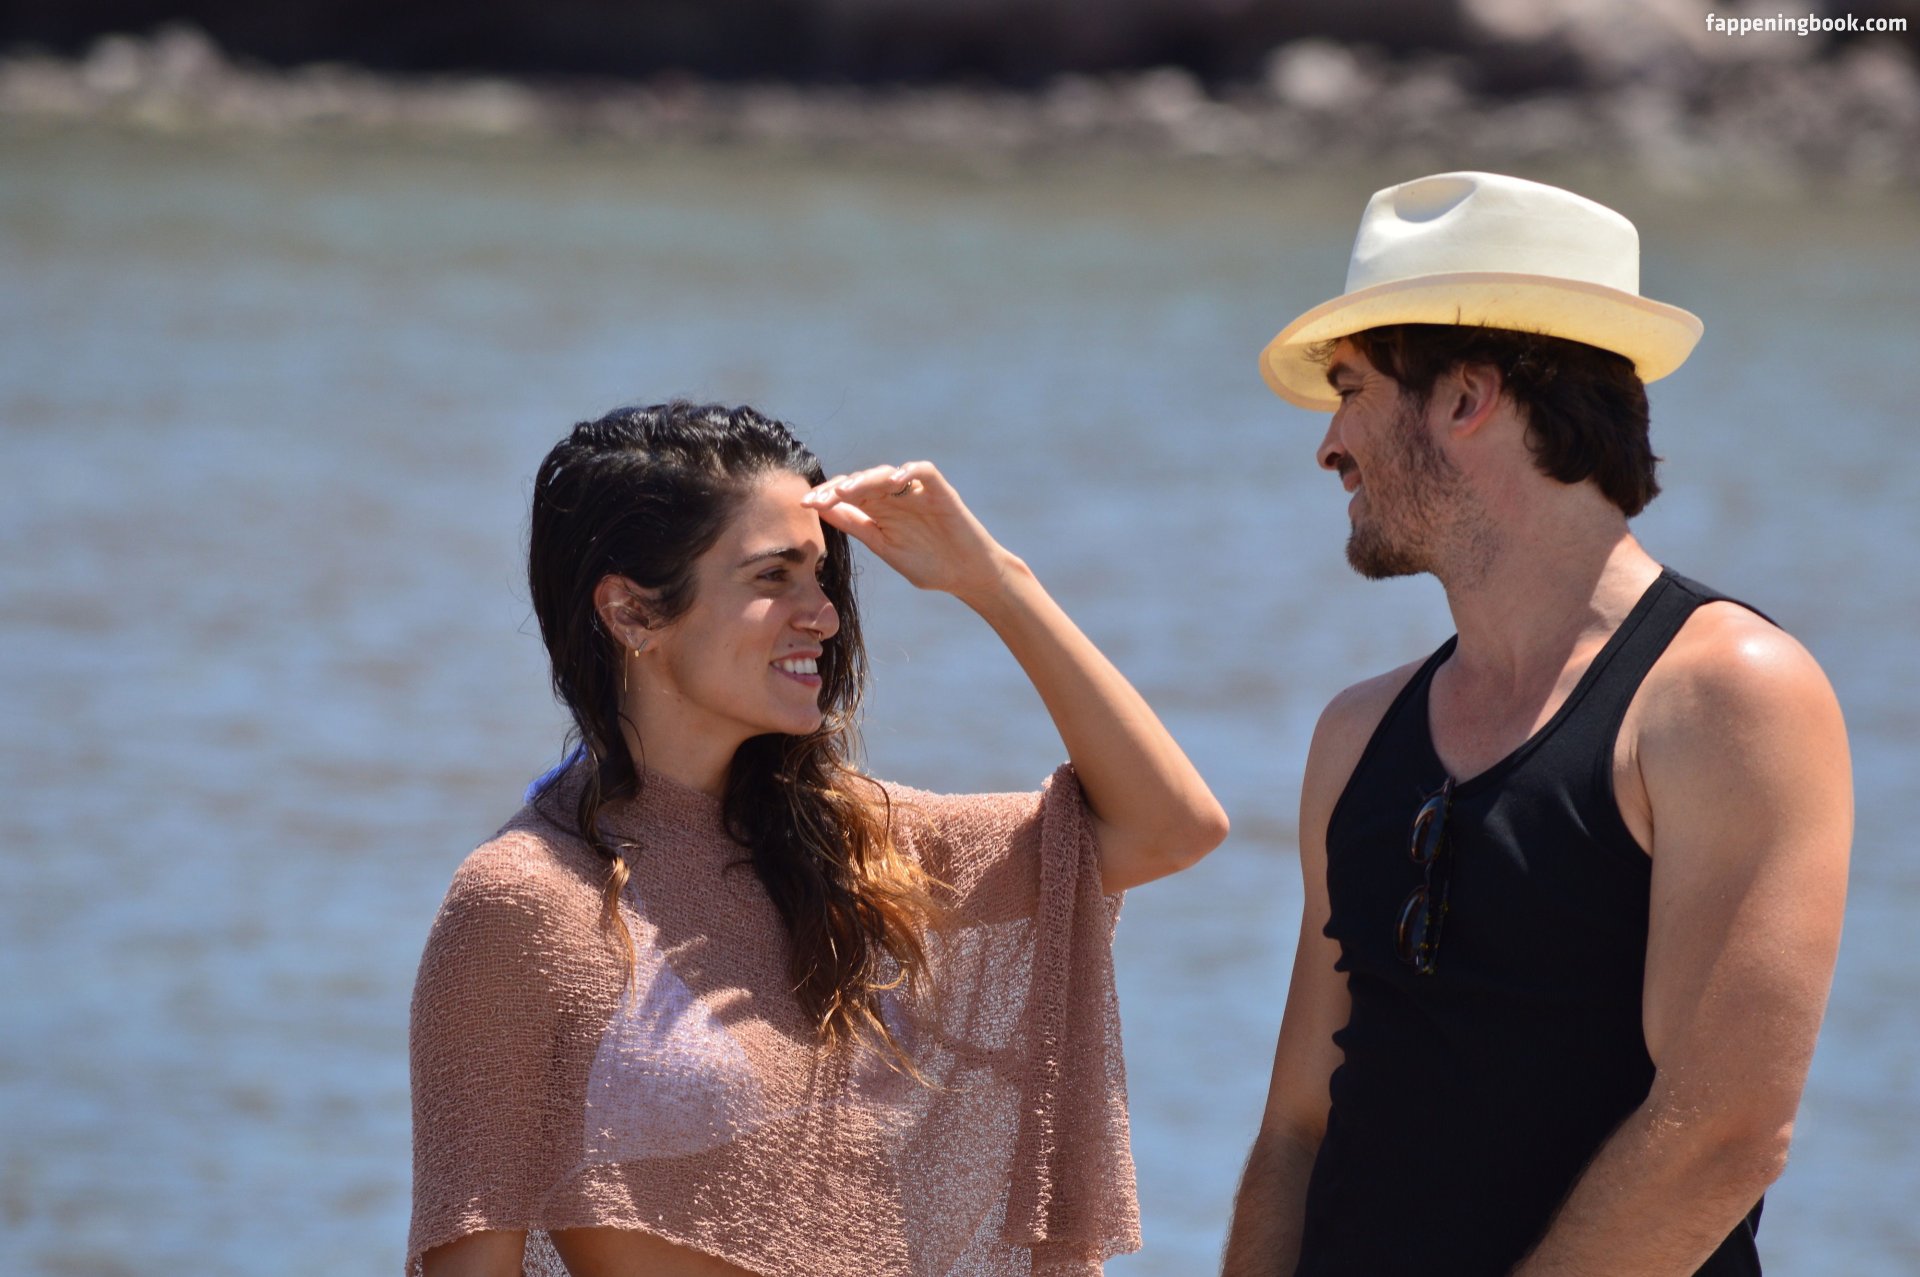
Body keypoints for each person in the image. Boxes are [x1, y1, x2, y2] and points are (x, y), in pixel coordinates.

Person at [408, 400, 1229, 1277]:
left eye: (823, 575)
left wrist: (994, 580)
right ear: (631, 612)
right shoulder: (524, 903)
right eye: (775, 576)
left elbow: (1170, 825)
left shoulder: (857, 845)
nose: (825, 616)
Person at [1221, 172, 1851, 1276]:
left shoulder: (1725, 695)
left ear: (1469, 395)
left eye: (1353, 389)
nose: (1329, 444)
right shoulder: (1357, 733)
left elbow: (1724, 1134)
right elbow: (1296, 1131)